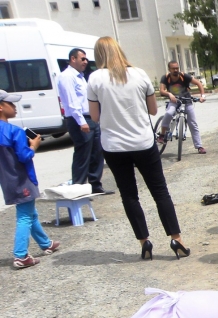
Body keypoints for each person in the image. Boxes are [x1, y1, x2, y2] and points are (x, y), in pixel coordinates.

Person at [87, 37, 189, 260]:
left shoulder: (95, 78)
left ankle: (144, 242)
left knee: (129, 195)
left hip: (114, 146)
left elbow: (94, 116)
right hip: (142, 141)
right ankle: (176, 238)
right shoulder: (139, 74)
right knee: (159, 190)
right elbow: (153, 110)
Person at [0, 90, 60, 269]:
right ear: (1, 107)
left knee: (30, 212)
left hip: (7, 180)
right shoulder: (15, 131)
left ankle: (45, 243)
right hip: (22, 179)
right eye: (11, 104)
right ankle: (21, 255)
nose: (15, 107)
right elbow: (24, 156)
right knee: (25, 215)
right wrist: (34, 146)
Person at [56, 48, 106, 193]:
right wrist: (81, 121)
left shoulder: (81, 76)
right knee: (83, 154)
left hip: (91, 118)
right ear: (73, 59)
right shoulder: (67, 76)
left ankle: (95, 185)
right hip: (79, 119)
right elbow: (72, 102)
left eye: (86, 59)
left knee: (97, 152)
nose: (86, 61)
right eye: (82, 59)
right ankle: (79, 187)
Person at [158, 61, 207, 154]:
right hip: (174, 101)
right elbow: (161, 90)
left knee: (192, 123)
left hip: (187, 101)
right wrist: (169, 94)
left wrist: (202, 96)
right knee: (168, 113)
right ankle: (162, 134)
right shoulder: (165, 78)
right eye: (173, 68)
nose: (176, 70)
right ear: (169, 69)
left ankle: (199, 146)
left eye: (177, 68)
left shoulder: (184, 76)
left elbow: (198, 83)